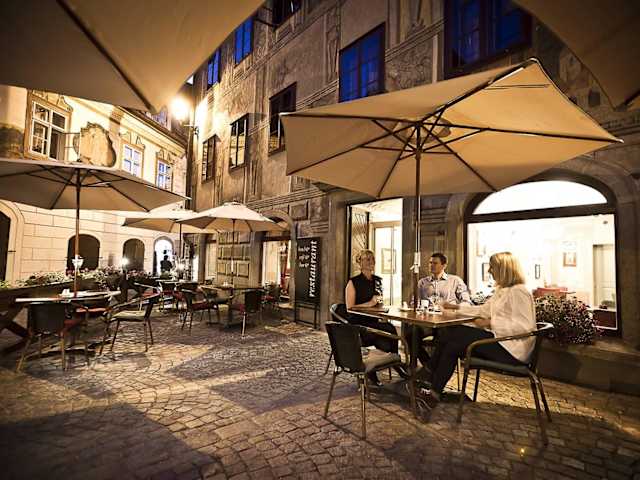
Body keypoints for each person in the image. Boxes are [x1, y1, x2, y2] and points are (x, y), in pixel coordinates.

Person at [416, 252, 536, 412]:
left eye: (492, 267)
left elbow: (525, 326)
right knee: (452, 343)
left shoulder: (519, 291)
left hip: (512, 351)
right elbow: (482, 310)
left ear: (503, 269)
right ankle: (433, 391)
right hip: (500, 342)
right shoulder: (503, 291)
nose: (489, 271)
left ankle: (428, 374)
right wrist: (455, 308)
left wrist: (490, 323)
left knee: (454, 334)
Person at [345, 249, 405, 386]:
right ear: (359, 263)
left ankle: (394, 361)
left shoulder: (378, 280)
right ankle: (371, 369)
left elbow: (378, 301)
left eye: (372, 259)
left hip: (373, 320)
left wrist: (380, 306)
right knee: (382, 335)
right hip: (359, 323)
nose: (371, 261)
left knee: (390, 329)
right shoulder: (353, 282)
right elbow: (350, 307)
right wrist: (369, 304)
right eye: (367, 259)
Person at [407, 253, 472, 368]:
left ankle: (434, 368)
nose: (431, 265)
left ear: (444, 265)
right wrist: (420, 308)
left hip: (446, 323)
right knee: (410, 333)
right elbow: (414, 303)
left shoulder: (455, 281)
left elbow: (466, 301)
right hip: (427, 322)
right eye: (430, 263)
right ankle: (428, 366)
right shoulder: (422, 282)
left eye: (435, 263)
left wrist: (454, 309)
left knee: (444, 337)